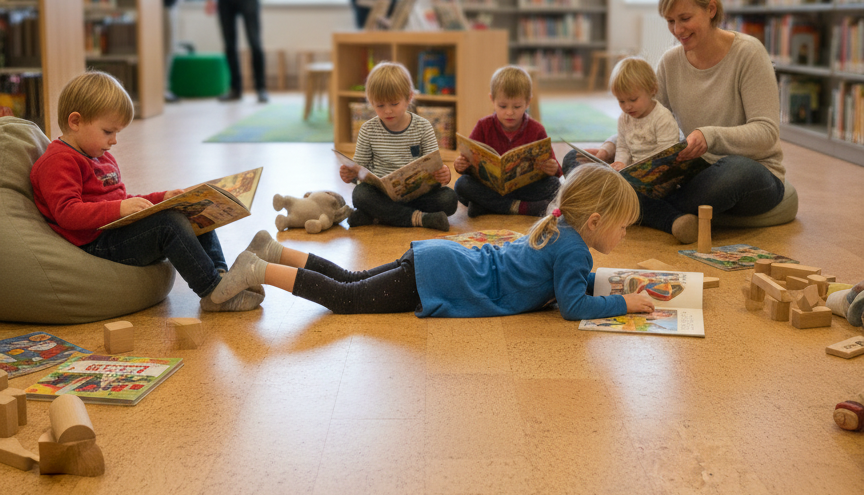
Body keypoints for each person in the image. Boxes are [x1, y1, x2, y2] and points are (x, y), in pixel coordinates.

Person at [208, 163, 655, 320]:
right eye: (622, 226)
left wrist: (603, 282)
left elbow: (567, 283)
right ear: (594, 221)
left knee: (349, 277)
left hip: (445, 262)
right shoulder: (574, 248)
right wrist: (623, 303)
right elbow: (573, 306)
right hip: (443, 278)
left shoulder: (561, 229)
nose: (624, 234)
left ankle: (273, 249)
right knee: (346, 299)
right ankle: (258, 269)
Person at [29, 70, 263, 312]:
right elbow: (67, 213)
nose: (114, 141)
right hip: (95, 244)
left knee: (194, 210)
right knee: (169, 224)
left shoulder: (101, 156)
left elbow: (122, 201)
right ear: (75, 122)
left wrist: (163, 198)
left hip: (115, 231)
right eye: (108, 132)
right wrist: (120, 208)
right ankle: (213, 292)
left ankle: (221, 276)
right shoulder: (58, 161)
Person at [587, 0, 786, 243]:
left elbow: (766, 133)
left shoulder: (749, 54)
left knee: (734, 171)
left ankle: (638, 207)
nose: (677, 30)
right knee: (580, 162)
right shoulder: (670, 62)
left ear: (711, 9)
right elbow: (647, 114)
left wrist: (710, 135)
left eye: (685, 19)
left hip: (753, 173)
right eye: (670, 21)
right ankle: (665, 213)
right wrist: (608, 148)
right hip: (694, 173)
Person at [338, 61, 457, 231]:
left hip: (417, 195)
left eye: (394, 104)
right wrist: (350, 174)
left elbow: (434, 167)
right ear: (371, 102)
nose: (387, 111)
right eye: (380, 105)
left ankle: (378, 215)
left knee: (449, 199)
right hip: (382, 195)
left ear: (409, 97)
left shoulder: (422, 127)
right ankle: (419, 219)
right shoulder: (368, 129)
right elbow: (360, 172)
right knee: (360, 195)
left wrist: (443, 174)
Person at [453, 64, 561, 217]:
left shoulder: (536, 129)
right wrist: (460, 165)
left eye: (517, 106)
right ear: (492, 100)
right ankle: (520, 208)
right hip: (489, 187)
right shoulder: (483, 126)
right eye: (502, 106)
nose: (509, 112)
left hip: (524, 188)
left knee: (554, 186)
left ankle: (486, 206)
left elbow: (555, 170)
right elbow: (468, 162)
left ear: (528, 102)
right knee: (462, 185)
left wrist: (553, 168)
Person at [606, 56, 680, 170]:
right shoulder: (624, 118)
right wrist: (620, 164)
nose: (627, 106)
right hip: (634, 171)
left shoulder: (662, 118)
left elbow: (667, 155)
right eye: (621, 101)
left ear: (652, 90)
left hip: (658, 172)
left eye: (633, 99)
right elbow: (623, 148)